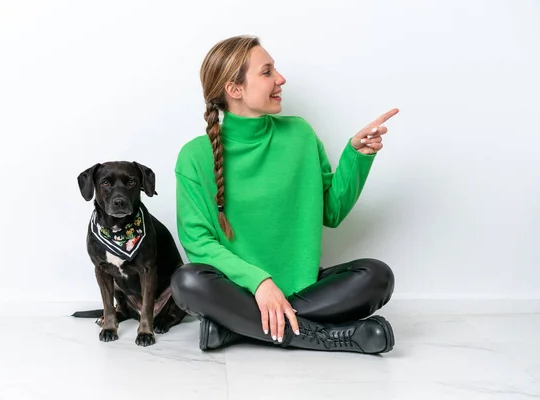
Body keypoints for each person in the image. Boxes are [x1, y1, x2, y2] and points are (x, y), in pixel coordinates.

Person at [170, 35, 399, 354]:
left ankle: (240, 328)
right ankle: (333, 337)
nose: (281, 79)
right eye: (267, 72)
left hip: (304, 288)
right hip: (238, 291)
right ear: (234, 89)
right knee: (187, 281)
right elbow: (198, 242)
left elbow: (331, 212)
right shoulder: (194, 156)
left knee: (377, 275)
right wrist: (260, 283)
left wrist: (357, 157)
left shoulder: (300, 134)